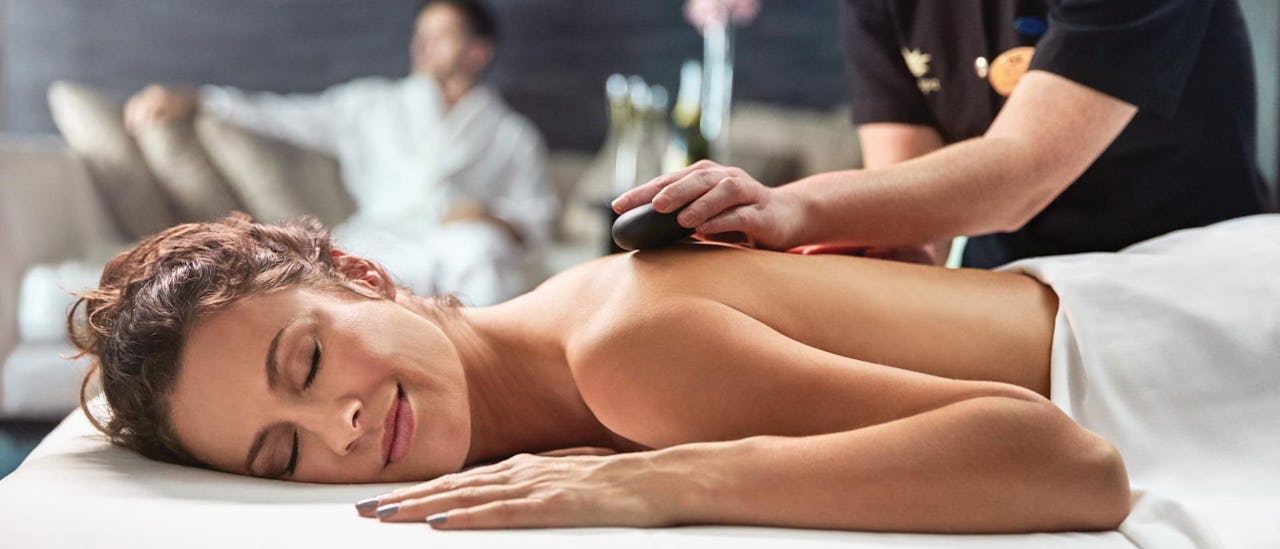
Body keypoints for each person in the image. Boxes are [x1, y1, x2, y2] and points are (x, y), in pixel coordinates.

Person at [67, 212, 1280, 532]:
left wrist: (662, 482)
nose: (336, 425)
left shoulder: (622, 354)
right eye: (281, 454)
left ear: (364, 276)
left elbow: (1067, 466)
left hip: (1208, 346)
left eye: (307, 359)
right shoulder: (565, 351)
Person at [614, 0, 1274, 267]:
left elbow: (1021, 171)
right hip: (1006, 284)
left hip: (1182, 274)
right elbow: (906, 211)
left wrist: (791, 208)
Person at [123, 0, 558, 305]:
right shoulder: (370, 104)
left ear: (477, 52)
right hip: (385, 236)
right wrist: (198, 98)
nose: (423, 46)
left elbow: (536, 217)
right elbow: (281, 114)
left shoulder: (511, 135)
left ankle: (487, 360)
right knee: (341, 271)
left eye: (441, 36)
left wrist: (488, 217)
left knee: (480, 250)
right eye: (420, 35)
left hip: (459, 241)